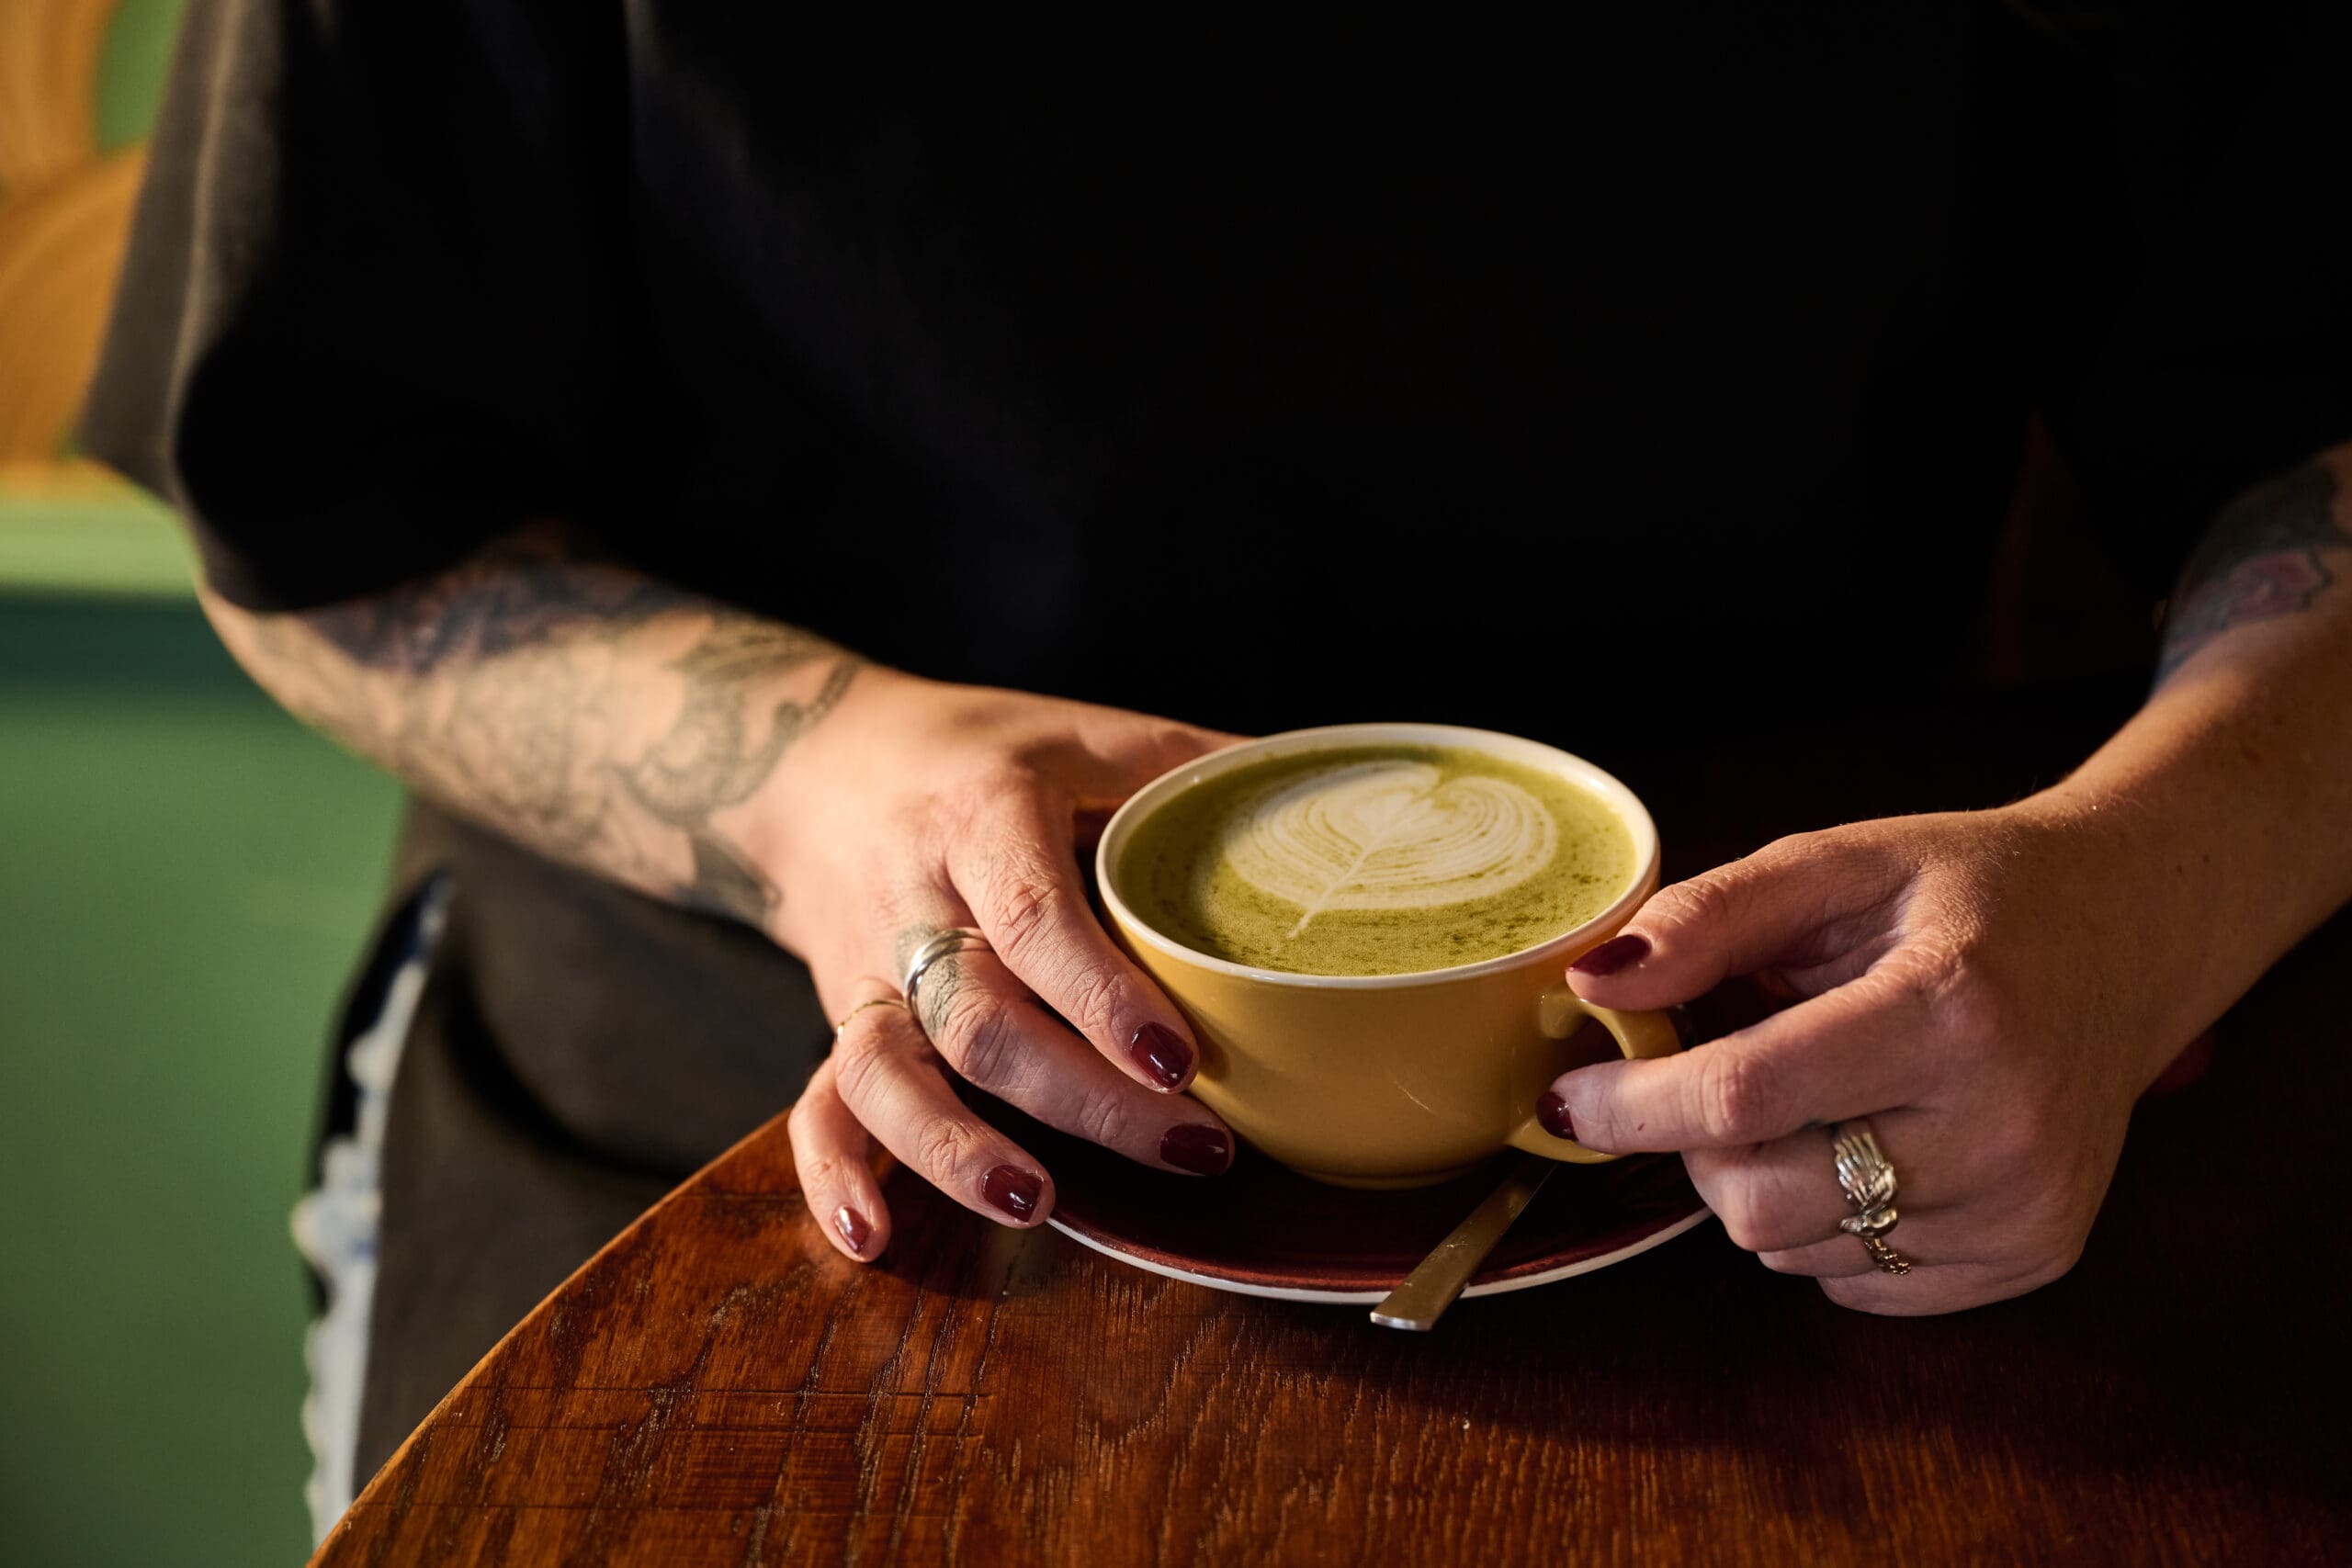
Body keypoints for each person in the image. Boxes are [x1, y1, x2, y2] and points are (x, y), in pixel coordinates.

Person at [85, 0, 2352, 1498]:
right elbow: (330, 529)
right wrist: (815, 782)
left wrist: (2161, 876)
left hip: (1837, 1087)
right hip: (765, 1085)